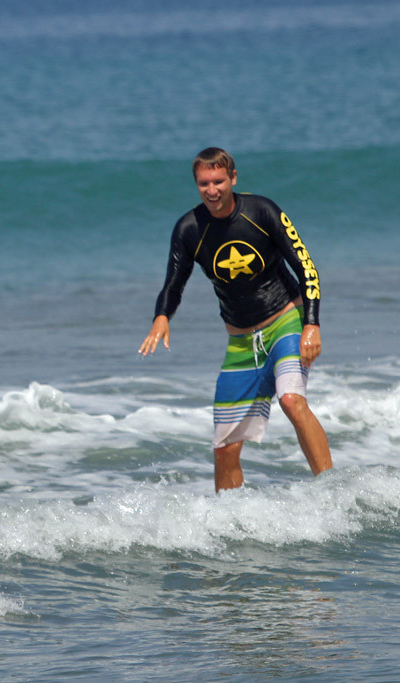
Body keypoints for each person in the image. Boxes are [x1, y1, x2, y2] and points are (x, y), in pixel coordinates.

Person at [138, 147, 332, 491]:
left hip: (286, 321)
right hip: (242, 343)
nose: (212, 190)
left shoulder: (262, 211)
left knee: (291, 400)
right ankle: (228, 519)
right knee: (225, 447)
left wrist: (311, 324)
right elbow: (173, 282)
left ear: (233, 179)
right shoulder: (189, 229)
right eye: (203, 183)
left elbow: (306, 267)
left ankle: (332, 489)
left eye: (218, 181)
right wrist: (161, 316)